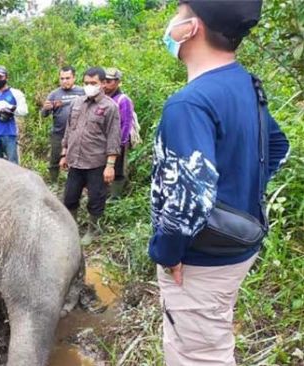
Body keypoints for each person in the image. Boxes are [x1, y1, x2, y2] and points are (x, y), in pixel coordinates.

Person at [150, 1, 289, 364]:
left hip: (200, 261)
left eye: (176, 14)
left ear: (192, 27)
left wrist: (167, 252)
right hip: (239, 243)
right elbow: (278, 145)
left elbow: (190, 197)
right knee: (213, 336)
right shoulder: (245, 83)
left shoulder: (189, 103)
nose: (170, 23)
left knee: (198, 354)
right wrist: (240, 197)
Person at [60, 67, 120, 237]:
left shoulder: (109, 107)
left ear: (102, 84)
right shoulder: (77, 103)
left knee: (96, 199)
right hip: (75, 160)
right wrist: (64, 154)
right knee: (70, 197)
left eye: (93, 83)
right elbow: (69, 130)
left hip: (96, 163)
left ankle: (92, 231)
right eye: (86, 83)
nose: (89, 86)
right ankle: (71, 229)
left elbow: (113, 137)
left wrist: (110, 166)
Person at [42, 66, 85, 183]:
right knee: (54, 160)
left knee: (77, 160)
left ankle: (76, 184)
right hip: (58, 133)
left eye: (67, 78)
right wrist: (46, 108)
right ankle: (53, 184)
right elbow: (44, 114)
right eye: (62, 78)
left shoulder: (82, 92)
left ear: (74, 78)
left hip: (77, 133)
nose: (64, 81)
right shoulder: (54, 94)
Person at [102, 67, 135, 198]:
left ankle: (115, 197)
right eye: (104, 81)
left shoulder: (122, 99)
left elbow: (126, 123)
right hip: (102, 140)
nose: (105, 84)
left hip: (118, 141)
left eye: (109, 81)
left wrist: (120, 143)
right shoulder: (102, 97)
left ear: (117, 82)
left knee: (118, 170)